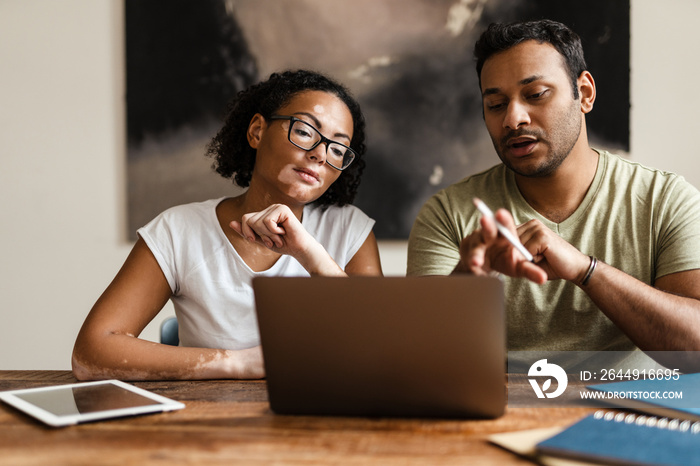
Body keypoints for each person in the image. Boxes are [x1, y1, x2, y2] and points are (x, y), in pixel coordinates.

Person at [407, 20, 700, 371]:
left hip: (626, 412)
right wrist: (468, 285)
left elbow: (694, 349)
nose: (513, 119)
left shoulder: (665, 199)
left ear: (585, 93)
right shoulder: (447, 213)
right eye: (496, 104)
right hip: (502, 415)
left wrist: (585, 271)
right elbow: (419, 357)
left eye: (535, 95)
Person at [73, 70, 383, 381]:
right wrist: (238, 363)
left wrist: (310, 253)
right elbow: (91, 353)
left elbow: (381, 352)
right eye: (304, 132)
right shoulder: (178, 230)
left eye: (338, 150)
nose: (319, 154)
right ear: (257, 131)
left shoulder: (348, 230)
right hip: (209, 421)